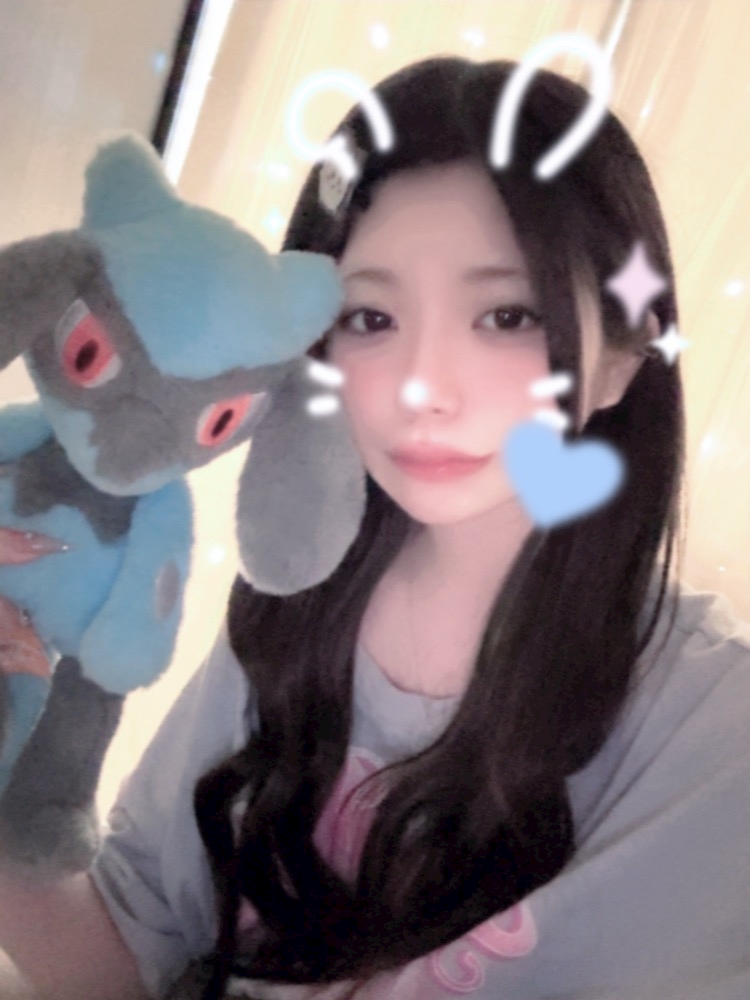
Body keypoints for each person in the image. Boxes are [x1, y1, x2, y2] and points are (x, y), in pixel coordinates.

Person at [1, 55, 749, 1000]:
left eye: (506, 314)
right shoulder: (297, 608)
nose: (422, 386)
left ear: (622, 357)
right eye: (370, 317)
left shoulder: (715, 734)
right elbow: (126, 961)